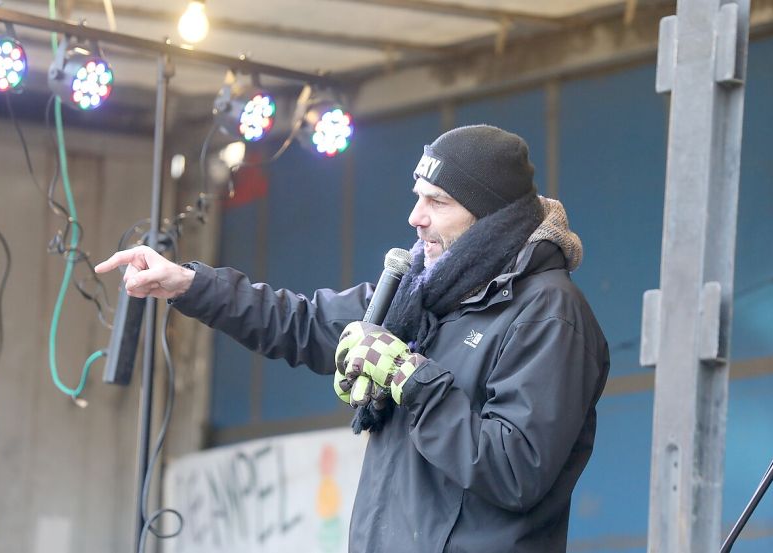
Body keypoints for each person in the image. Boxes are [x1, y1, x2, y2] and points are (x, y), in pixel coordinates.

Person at [96, 124, 610, 552]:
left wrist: (411, 380)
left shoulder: (548, 314)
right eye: (417, 197)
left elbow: (515, 470)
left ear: (491, 217)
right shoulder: (419, 294)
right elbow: (300, 323)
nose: (417, 217)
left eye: (439, 201)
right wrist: (189, 284)